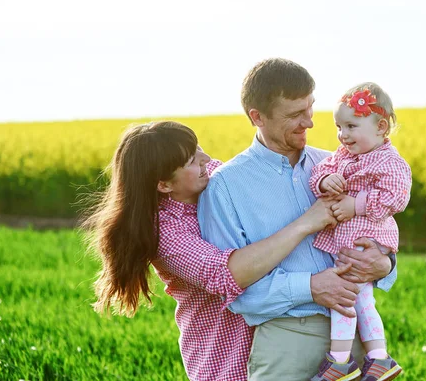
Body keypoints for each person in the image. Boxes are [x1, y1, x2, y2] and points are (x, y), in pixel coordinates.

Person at [84, 121, 339, 381]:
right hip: (225, 352)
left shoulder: (216, 176)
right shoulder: (164, 233)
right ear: (164, 184)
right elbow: (225, 274)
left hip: (284, 339)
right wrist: (306, 224)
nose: (207, 159)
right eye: (192, 161)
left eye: (200, 149)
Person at [198, 58, 399, 380]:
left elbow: (378, 227)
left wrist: (385, 263)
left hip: (357, 334)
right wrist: (312, 287)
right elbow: (230, 288)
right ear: (257, 117)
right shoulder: (226, 186)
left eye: (310, 109)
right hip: (288, 338)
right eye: (294, 115)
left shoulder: (336, 164)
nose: (309, 123)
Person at [308, 83, 412, 381]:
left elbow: (397, 197)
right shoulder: (342, 155)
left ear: (381, 127)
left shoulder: (390, 161)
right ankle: (377, 358)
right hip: (347, 239)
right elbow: (319, 170)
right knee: (359, 299)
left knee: (346, 296)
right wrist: (326, 179)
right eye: (339, 126)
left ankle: (340, 362)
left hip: (367, 237)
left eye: (351, 126)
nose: (343, 134)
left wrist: (356, 204)